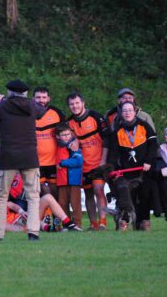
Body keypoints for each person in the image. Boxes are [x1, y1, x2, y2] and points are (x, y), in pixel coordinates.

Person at [0, 79, 46, 241]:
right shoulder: (31, 105)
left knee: (2, 197)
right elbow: (42, 111)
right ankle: (33, 232)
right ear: (25, 93)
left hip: (8, 156)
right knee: (33, 196)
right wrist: (29, 100)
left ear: (9, 92)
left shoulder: (2, 106)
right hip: (29, 156)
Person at [107, 101, 158, 230]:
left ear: (135, 111)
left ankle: (144, 221)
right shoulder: (117, 131)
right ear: (121, 113)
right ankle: (125, 221)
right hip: (126, 171)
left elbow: (153, 145)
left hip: (144, 170)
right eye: (125, 110)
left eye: (130, 110)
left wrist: (148, 161)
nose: (127, 112)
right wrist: (112, 169)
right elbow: (113, 153)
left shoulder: (144, 126)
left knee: (145, 195)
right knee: (128, 196)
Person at [66, 92, 110, 231]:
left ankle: (103, 222)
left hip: (98, 163)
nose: (75, 106)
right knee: (89, 194)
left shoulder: (96, 117)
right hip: (82, 166)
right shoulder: (69, 123)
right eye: (72, 104)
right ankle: (93, 224)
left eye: (77, 103)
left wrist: (103, 160)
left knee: (99, 190)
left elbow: (107, 139)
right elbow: (68, 141)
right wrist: (75, 141)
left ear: (83, 103)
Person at [0, 182, 81, 232]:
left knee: (47, 197)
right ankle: (46, 227)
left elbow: (12, 205)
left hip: (20, 218)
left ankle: (68, 224)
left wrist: (22, 211)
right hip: (11, 226)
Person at [33, 87, 65, 196]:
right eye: (38, 97)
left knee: (55, 191)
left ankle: (56, 213)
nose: (41, 100)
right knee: (42, 192)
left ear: (49, 98)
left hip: (54, 161)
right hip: (35, 162)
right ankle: (44, 213)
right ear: (33, 99)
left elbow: (66, 133)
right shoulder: (27, 114)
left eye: (43, 97)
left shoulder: (57, 113)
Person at [55, 123, 83, 228]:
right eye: (64, 135)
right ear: (58, 136)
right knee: (62, 204)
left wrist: (63, 163)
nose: (67, 137)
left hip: (73, 181)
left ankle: (78, 225)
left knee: (75, 204)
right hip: (61, 181)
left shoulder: (73, 146)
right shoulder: (57, 146)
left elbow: (78, 161)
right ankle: (67, 225)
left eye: (68, 134)